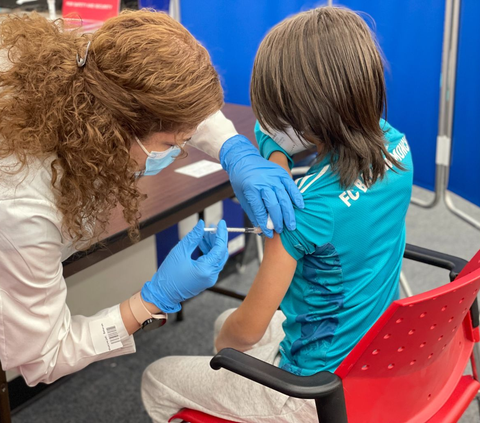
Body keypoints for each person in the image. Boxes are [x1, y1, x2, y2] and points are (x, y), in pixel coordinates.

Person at [0, 10, 303, 386]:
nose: (179, 151)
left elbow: (171, 107)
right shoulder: (22, 208)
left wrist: (234, 150)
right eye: (169, 144)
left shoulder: (100, 67)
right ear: (110, 127)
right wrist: (151, 300)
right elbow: (42, 357)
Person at [141, 6, 414, 423]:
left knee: (163, 373)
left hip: (311, 392)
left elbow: (244, 332)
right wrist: (275, 165)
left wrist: (223, 346)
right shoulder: (396, 146)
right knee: (222, 317)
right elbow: (269, 132)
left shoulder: (301, 215)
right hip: (372, 349)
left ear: (303, 115)